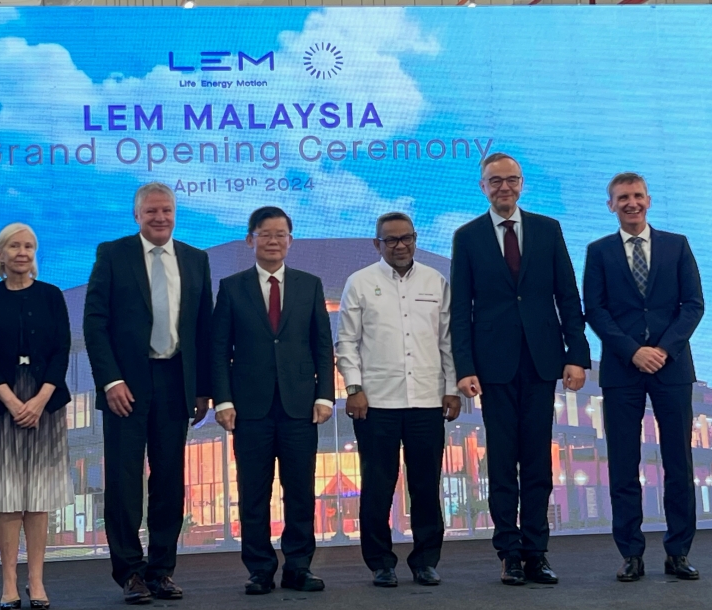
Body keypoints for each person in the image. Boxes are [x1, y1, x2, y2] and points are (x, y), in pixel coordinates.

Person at [450, 153, 590, 586]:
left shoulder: (548, 229)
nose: (504, 187)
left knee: (537, 464)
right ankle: (508, 554)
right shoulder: (467, 236)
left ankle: (536, 552)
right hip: (493, 366)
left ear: (522, 183)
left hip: (542, 361)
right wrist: (464, 366)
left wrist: (577, 354)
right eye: (495, 181)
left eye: (511, 179)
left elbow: (568, 296)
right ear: (483, 187)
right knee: (501, 462)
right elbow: (460, 308)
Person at [82, 183, 213, 605]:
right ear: (136, 215)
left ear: (175, 213)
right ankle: (130, 573)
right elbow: (95, 322)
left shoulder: (195, 259)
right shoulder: (112, 254)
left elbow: (204, 329)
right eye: (152, 211)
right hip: (126, 386)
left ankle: (161, 571)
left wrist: (203, 389)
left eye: (167, 210)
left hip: (176, 383)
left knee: (170, 481)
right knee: (123, 483)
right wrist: (110, 381)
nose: (160, 217)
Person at [583, 173, 704, 582]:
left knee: (679, 463)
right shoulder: (598, 251)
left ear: (648, 200)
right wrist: (633, 351)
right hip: (622, 369)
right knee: (623, 464)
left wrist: (663, 350)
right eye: (622, 198)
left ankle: (678, 552)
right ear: (611, 205)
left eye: (637, 196)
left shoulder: (677, 245)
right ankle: (631, 554)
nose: (631, 203)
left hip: (672, 367)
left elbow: (693, 304)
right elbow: (595, 310)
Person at [212, 206, 335, 595]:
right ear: (251, 239)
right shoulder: (232, 287)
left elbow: (322, 344)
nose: (273, 241)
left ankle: (298, 566)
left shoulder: (309, 285)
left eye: (281, 234)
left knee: (300, 491)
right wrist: (223, 401)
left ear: (290, 241)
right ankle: (260, 569)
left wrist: (325, 395)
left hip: (300, 405)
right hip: (250, 408)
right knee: (254, 493)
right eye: (265, 234)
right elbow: (219, 349)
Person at [335, 211, 460, 589]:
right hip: (375, 404)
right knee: (377, 487)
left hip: (427, 400)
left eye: (406, 238)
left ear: (415, 239)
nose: (400, 245)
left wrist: (451, 388)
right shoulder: (359, 282)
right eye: (391, 240)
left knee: (426, 486)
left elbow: (448, 341)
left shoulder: (435, 281)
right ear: (378, 244)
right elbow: (347, 342)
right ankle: (380, 564)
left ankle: (425, 562)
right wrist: (353, 389)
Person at [0, 223, 73, 609]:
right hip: (1, 404)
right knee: (9, 498)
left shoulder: (51, 296)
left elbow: (62, 350)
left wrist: (41, 399)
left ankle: (37, 582)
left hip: (45, 403)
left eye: (29, 246)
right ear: (0, 253)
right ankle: (9, 584)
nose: (22, 252)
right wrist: (12, 402)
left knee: (38, 498)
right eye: (14, 246)